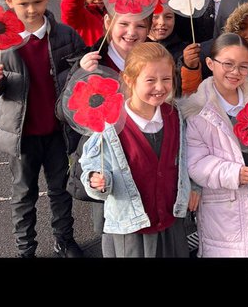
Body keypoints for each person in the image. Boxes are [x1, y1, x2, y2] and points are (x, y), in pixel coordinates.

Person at [0, 0, 88, 258]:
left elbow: (82, 73)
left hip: (57, 131)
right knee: (24, 195)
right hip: (21, 135)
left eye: (37, 2)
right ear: (9, 2)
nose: (31, 9)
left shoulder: (64, 35)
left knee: (60, 190)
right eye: (23, 4)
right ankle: (26, 248)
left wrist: (84, 68)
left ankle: (64, 239)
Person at [82, 42, 192, 258]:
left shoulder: (174, 115)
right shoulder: (111, 123)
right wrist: (97, 180)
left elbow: (185, 157)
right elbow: (92, 167)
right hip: (131, 227)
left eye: (166, 79)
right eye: (150, 80)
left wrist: (193, 187)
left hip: (170, 220)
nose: (160, 87)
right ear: (129, 80)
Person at [183, 33, 248, 257]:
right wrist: (233, 173)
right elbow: (196, 162)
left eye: (243, 66)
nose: (235, 72)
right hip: (224, 206)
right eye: (227, 64)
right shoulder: (198, 109)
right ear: (210, 63)